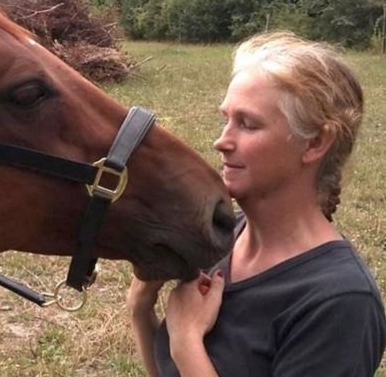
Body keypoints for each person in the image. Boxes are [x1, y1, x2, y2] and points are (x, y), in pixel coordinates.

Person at [127, 31, 386, 377]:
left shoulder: (340, 302)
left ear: (315, 142)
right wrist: (141, 310)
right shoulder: (219, 241)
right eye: (226, 119)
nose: (221, 141)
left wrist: (186, 341)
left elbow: (185, 357)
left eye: (248, 125)